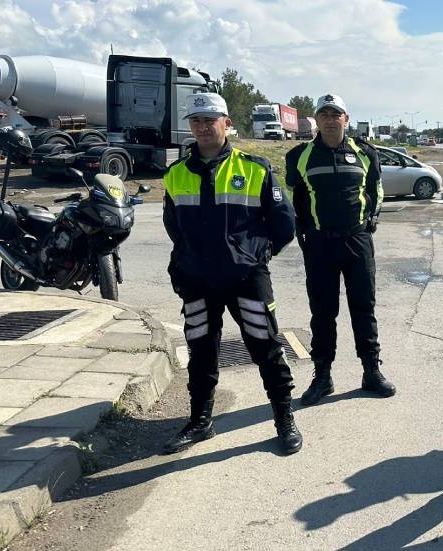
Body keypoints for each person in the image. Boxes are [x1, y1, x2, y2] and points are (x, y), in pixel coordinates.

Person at [162, 92, 302, 455]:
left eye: (210, 120)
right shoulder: (176, 175)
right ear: (190, 127)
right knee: (201, 352)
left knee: (266, 349)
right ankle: (200, 422)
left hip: (246, 280)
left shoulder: (254, 168)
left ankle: (284, 420)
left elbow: (284, 225)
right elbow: (173, 227)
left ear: (226, 123)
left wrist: (257, 256)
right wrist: (186, 262)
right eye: (196, 121)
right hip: (197, 281)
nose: (203, 127)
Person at [284, 94, 394, 406]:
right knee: (322, 312)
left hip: (357, 240)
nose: (331, 120)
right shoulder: (300, 156)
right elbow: (297, 197)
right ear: (316, 120)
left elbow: (376, 189)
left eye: (337, 114)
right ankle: (323, 375)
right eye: (324, 114)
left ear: (346, 119)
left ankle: (371, 371)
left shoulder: (364, 151)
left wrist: (372, 219)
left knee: (364, 307)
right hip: (319, 244)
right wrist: (301, 231)